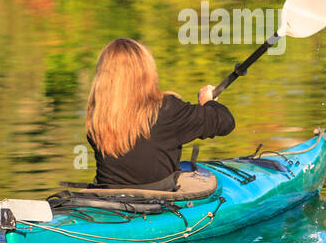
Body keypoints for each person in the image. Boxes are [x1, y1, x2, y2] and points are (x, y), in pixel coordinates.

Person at [85, 38, 235, 189]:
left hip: (107, 197)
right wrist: (208, 102)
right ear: (146, 72)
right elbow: (226, 122)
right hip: (159, 196)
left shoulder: (97, 115)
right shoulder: (167, 108)